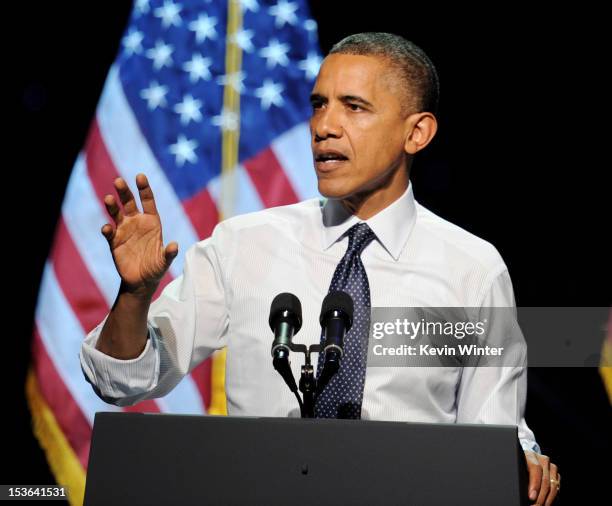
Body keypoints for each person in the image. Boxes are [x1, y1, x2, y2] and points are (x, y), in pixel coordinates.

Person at [80, 33, 559, 504]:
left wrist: (520, 458)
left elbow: (492, 434)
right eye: (318, 104)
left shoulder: (470, 269)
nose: (323, 126)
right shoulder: (243, 244)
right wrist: (135, 296)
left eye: (353, 106)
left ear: (417, 132)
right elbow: (123, 381)